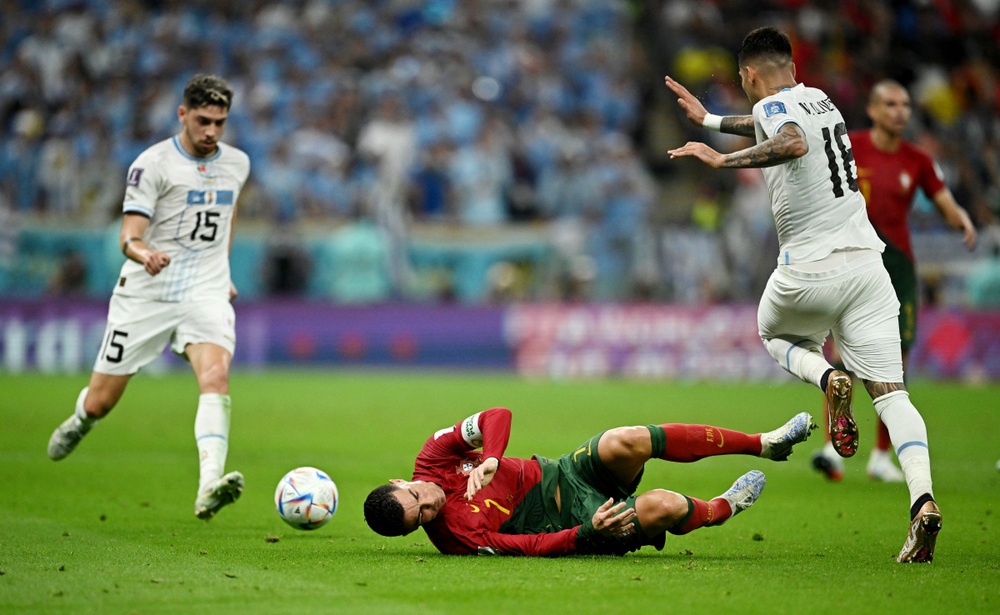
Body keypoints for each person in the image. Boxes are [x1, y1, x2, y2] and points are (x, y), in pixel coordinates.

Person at [664, 27, 941, 563]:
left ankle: (827, 377)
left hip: (809, 270)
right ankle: (923, 501)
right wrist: (713, 122)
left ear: (749, 75)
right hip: (868, 267)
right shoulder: (823, 100)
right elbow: (781, 125)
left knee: (773, 332)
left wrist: (722, 159)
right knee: (893, 395)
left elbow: (790, 140)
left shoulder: (773, 107)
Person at [46, 75, 251, 521]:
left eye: (219, 122)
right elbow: (128, 235)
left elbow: (227, 213)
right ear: (182, 114)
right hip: (148, 291)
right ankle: (81, 420)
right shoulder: (152, 164)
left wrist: (225, 269)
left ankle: (208, 486)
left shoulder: (236, 164)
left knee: (215, 377)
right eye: (202, 120)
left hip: (205, 292)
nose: (211, 131)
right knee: (102, 401)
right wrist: (145, 253)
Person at [364, 407, 813, 556]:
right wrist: (588, 532)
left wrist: (492, 460)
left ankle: (764, 443)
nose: (429, 506)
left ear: (400, 480)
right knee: (662, 507)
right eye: (419, 518)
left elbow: (497, 416)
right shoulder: (456, 536)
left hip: (564, 471)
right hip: (580, 521)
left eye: (416, 497)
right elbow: (530, 548)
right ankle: (722, 508)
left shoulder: (432, 457)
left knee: (626, 440)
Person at [812, 80, 977, 483]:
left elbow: (943, 200)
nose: (899, 111)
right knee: (841, 360)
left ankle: (881, 457)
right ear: (872, 110)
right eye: (890, 104)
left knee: (895, 364)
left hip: (898, 267)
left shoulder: (917, 159)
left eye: (904, 104)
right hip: (851, 260)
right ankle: (833, 451)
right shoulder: (849, 145)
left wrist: (963, 220)